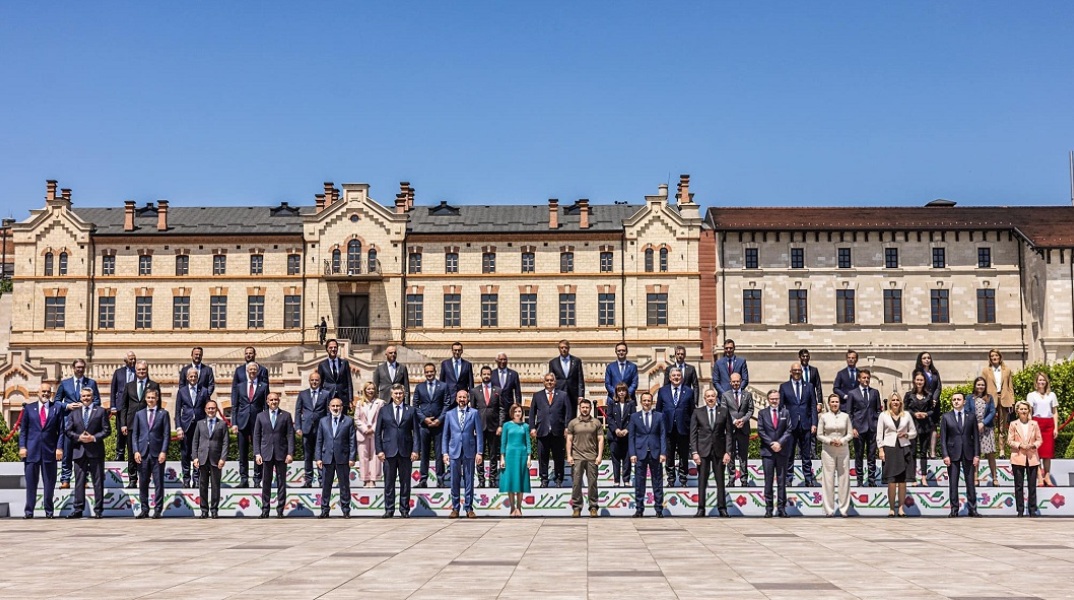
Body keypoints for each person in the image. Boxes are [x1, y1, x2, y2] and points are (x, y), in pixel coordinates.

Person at [19, 383, 64, 518]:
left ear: (51, 394)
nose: (45, 394)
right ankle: (29, 512)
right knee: (31, 484)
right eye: (43, 391)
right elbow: (23, 431)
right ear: (38, 393)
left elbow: (61, 431)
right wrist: (22, 447)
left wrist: (59, 448)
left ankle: (49, 511)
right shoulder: (29, 408)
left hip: (50, 452)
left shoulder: (56, 408)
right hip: (31, 452)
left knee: (49, 484)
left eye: (48, 392)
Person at [375, 384, 421, 518]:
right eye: (396, 393)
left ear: (404, 394)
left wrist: (415, 450)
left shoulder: (411, 410)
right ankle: (389, 509)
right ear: (391, 394)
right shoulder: (384, 410)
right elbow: (378, 432)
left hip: (405, 451)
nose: (398, 396)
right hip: (388, 451)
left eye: (400, 393)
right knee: (389, 483)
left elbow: (416, 432)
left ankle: (404, 509)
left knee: (405, 482)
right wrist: (379, 450)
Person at [54, 358, 100, 489]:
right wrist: (67, 406)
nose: (80, 369)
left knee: (84, 453)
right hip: (69, 422)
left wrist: (86, 404)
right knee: (67, 453)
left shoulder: (91, 383)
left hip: (85, 423)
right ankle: (65, 480)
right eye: (78, 367)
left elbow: (97, 401)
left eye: (82, 367)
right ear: (73, 368)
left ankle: (83, 479)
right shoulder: (65, 383)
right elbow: (56, 401)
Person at [65, 386, 111, 519]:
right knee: (79, 482)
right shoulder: (74, 413)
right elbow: (68, 431)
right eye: (84, 396)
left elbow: (107, 430)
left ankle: (98, 510)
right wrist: (78, 437)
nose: (86, 398)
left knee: (98, 481)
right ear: (80, 397)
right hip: (79, 451)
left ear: (93, 397)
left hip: (96, 451)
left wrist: (94, 438)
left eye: (88, 396)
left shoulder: (101, 411)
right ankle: (78, 509)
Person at [118, 359, 160, 489]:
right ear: (135, 371)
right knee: (132, 453)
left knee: (147, 453)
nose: (141, 371)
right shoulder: (129, 386)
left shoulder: (154, 385)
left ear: (147, 370)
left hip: (148, 425)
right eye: (139, 369)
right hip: (131, 424)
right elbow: (124, 406)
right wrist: (123, 424)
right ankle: (132, 479)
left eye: (143, 369)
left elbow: (158, 407)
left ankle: (145, 479)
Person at [690, 388, 732, 517]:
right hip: (703, 452)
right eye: (708, 396)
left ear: (716, 397)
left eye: (712, 396)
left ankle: (722, 508)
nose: (710, 398)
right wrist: (694, 452)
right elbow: (693, 434)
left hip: (719, 452)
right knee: (702, 481)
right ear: (704, 398)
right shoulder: (697, 412)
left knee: (720, 481)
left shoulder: (724, 411)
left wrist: (728, 452)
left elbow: (729, 433)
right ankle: (701, 509)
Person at [442, 390, 484, 519]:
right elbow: (445, 435)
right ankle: (455, 508)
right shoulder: (449, 414)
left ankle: (469, 508)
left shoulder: (474, 413)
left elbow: (479, 434)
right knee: (454, 480)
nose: (462, 399)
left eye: (464, 397)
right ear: (456, 399)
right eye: (460, 397)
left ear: (468, 399)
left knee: (469, 480)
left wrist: (479, 452)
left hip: (469, 450)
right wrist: (445, 452)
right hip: (454, 450)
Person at [254, 392, 295, 518]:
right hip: (266, 453)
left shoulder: (286, 415)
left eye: (276, 400)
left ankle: (280, 510)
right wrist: (257, 453)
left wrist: (290, 453)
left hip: (281, 453)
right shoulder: (261, 416)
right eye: (271, 400)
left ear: (279, 401)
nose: (273, 402)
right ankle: (265, 510)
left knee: (281, 483)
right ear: (267, 402)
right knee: (266, 482)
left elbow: (290, 435)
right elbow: (256, 435)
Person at [131, 388, 171, 519]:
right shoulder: (139, 414)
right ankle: (144, 509)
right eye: (148, 397)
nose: (150, 400)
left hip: (157, 454)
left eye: (153, 397)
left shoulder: (163, 414)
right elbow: (135, 434)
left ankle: (158, 509)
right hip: (142, 453)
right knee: (143, 483)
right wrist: (136, 450)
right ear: (145, 398)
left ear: (157, 398)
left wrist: (163, 451)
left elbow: (166, 435)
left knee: (158, 483)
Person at [940, 393, 981, 517]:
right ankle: (954, 509)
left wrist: (977, 455)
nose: (956, 401)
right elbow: (943, 438)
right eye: (954, 399)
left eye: (958, 399)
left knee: (970, 482)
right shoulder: (946, 417)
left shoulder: (971, 416)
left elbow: (976, 437)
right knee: (953, 483)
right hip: (952, 453)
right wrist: (945, 455)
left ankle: (972, 509)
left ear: (964, 402)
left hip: (968, 453)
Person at [529, 372, 572, 488]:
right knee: (543, 457)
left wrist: (567, 427)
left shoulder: (563, 395)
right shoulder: (537, 396)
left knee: (559, 457)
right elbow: (532, 413)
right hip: (542, 431)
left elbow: (568, 413)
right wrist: (532, 428)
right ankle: (544, 479)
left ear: (555, 382)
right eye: (547, 380)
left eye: (551, 380)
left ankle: (559, 479)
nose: (549, 382)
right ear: (544, 382)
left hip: (558, 432)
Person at [316, 398, 357, 518]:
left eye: (338, 406)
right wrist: (318, 458)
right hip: (327, 458)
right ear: (329, 407)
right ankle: (324, 510)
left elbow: (352, 441)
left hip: (343, 458)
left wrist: (352, 457)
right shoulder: (323, 421)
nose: (335, 408)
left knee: (344, 485)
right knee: (326, 485)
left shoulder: (348, 421)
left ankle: (345, 510)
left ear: (342, 407)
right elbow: (319, 440)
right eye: (333, 406)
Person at [779, 362, 818, 487]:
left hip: (806, 425)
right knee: (789, 454)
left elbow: (813, 406)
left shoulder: (809, 386)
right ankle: (788, 479)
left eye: (799, 370)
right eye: (794, 370)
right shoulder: (784, 387)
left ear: (802, 372)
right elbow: (781, 407)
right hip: (790, 426)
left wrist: (814, 423)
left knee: (806, 455)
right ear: (791, 372)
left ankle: (808, 479)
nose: (797, 372)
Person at [878, 393, 917, 517]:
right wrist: (881, 450)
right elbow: (879, 434)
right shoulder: (883, 415)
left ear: (901, 402)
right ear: (890, 402)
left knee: (902, 482)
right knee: (891, 481)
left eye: (897, 400)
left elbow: (913, 432)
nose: (895, 402)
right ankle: (891, 508)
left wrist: (906, 435)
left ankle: (901, 508)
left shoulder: (906, 415)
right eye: (893, 400)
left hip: (903, 448)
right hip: (890, 448)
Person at [629, 392, 667, 518]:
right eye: (644, 400)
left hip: (655, 453)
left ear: (652, 402)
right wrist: (632, 453)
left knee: (657, 482)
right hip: (640, 453)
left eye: (648, 400)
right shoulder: (634, 417)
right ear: (641, 402)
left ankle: (659, 509)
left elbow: (663, 435)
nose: (646, 403)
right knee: (639, 483)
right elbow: (631, 437)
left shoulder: (659, 416)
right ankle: (639, 509)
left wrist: (663, 452)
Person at [655, 367, 695, 487]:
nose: (676, 377)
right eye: (674, 375)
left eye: (678, 375)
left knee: (684, 455)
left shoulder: (689, 391)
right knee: (669, 455)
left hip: (683, 429)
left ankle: (683, 480)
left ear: (681, 378)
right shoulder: (662, 391)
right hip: (668, 429)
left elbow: (692, 411)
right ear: (670, 378)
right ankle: (671, 480)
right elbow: (658, 410)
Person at [231, 361, 268, 488]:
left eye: (254, 370)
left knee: (258, 452)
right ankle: (244, 479)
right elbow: (235, 406)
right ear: (247, 371)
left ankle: (257, 479)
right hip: (242, 422)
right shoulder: (240, 386)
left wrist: (266, 422)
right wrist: (234, 423)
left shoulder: (263, 386)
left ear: (257, 372)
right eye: (250, 369)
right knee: (243, 452)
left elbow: (265, 406)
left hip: (258, 423)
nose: (252, 371)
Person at [567, 398, 605, 518]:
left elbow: (601, 439)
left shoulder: (596, 423)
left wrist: (599, 456)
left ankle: (593, 507)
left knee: (592, 483)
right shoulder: (573, 423)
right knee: (576, 483)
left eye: (587, 407)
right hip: (577, 457)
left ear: (590, 408)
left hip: (592, 457)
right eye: (583, 407)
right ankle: (576, 508)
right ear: (579, 408)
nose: (585, 409)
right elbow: (569, 440)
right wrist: (569, 455)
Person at [817, 393, 853, 517]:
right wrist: (830, 441)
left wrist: (842, 441)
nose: (834, 404)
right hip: (828, 451)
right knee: (828, 480)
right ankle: (829, 510)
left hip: (843, 450)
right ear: (829, 403)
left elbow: (850, 434)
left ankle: (844, 509)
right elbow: (819, 435)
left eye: (836, 402)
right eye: (832, 402)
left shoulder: (845, 417)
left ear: (839, 403)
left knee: (844, 479)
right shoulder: (824, 417)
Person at [758, 389, 792, 517]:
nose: (774, 401)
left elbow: (789, 429)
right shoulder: (762, 413)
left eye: (776, 398)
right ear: (768, 399)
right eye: (772, 398)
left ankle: (782, 508)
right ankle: (769, 509)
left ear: (779, 399)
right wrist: (772, 443)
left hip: (782, 451)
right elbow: (761, 430)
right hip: (768, 452)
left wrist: (780, 443)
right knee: (768, 481)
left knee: (782, 481)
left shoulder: (785, 412)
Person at [414, 363, 449, 487]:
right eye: (427, 372)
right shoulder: (419, 387)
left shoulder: (443, 386)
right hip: (424, 425)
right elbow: (415, 405)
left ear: (435, 372)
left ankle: (440, 479)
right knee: (424, 453)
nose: (429, 374)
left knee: (439, 453)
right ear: (424, 373)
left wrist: (439, 419)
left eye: (431, 371)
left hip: (439, 425)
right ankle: (423, 479)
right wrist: (424, 419)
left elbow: (446, 404)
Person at [192, 399, 228, 519]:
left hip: (216, 459)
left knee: (215, 486)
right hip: (202, 458)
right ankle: (204, 510)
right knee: (202, 486)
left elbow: (225, 443)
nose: (211, 410)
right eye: (209, 408)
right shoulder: (200, 423)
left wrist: (223, 458)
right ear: (205, 410)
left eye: (213, 408)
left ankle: (214, 510)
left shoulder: (222, 424)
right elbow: (195, 442)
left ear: (216, 409)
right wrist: (195, 457)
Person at [294, 371, 332, 488]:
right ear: (309, 381)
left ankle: (322, 480)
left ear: (320, 381)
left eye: (316, 380)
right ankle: (308, 481)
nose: (314, 382)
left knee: (320, 455)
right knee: (307, 456)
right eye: (312, 380)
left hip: (321, 429)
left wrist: (328, 427)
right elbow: (298, 411)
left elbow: (328, 412)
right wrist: (298, 427)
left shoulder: (326, 394)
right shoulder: (303, 394)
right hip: (306, 429)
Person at [174, 367, 210, 488]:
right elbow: (177, 411)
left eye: (195, 376)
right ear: (187, 377)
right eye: (191, 376)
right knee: (185, 453)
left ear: (198, 377)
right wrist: (178, 427)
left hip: (199, 426)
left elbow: (208, 409)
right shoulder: (182, 391)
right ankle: (186, 478)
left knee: (199, 452)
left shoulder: (204, 391)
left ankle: (196, 478)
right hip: (186, 426)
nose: (193, 378)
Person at [471, 366, 505, 488]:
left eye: (488, 374)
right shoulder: (474, 391)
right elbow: (472, 410)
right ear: (480, 375)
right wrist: (472, 427)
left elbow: (502, 409)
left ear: (491, 375)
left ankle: (492, 479)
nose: (486, 376)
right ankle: (481, 480)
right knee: (479, 454)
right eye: (484, 374)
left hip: (494, 427)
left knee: (493, 455)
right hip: (479, 427)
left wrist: (500, 425)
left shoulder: (498, 390)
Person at [847, 369, 882, 487]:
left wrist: (877, 424)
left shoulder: (875, 392)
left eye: (868, 378)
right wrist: (852, 428)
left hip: (872, 428)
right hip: (858, 429)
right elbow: (849, 413)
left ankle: (872, 480)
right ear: (859, 379)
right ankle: (860, 480)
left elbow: (878, 410)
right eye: (864, 377)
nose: (866, 380)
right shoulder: (852, 393)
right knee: (859, 455)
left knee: (871, 455)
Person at [1007, 401, 1043, 517]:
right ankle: (1020, 510)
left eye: (1025, 409)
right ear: (1017, 411)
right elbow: (1009, 441)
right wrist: (1020, 445)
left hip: (1032, 457)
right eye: (1021, 409)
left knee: (1032, 486)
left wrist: (1033, 445)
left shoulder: (1034, 424)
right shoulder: (1013, 424)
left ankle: (1032, 510)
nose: (1023, 411)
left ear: (1029, 411)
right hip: (1018, 457)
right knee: (1019, 486)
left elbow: (1039, 440)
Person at [1026, 371, 1059, 487]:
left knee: (1048, 453)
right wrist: (1030, 426)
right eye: (1039, 380)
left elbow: (1054, 412)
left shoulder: (1052, 395)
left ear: (1046, 382)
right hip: (1037, 423)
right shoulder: (1031, 395)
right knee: (1037, 452)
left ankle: (1047, 476)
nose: (1041, 382)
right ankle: (1040, 476)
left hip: (1049, 424)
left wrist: (1056, 428)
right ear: (1036, 382)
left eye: (1043, 380)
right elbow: (1029, 412)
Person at [499, 404, 531, 517]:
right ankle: (512, 507)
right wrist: (502, 458)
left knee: (520, 482)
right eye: (515, 411)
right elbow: (503, 442)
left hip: (521, 455)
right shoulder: (506, 425)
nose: (518, 413)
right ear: (512, 413)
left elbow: (528, 442)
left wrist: (529, 457)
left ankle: (519, 507)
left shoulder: (525, 426)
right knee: (511, 482)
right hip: (509, 455)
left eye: (519, 411)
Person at [721, 373, 754, 486]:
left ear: (741, 382)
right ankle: (731, 479)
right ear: (730, 382)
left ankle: (744, 480)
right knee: (730, 455)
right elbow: (724, 410)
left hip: (744, 429)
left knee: (743, 456)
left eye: (737, 381)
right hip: (730, 429)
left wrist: (743, 420)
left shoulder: (747, 395)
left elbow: (750, 410)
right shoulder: (725, 395)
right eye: (733, 381)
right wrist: (734, 421)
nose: (736, 383)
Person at [982, 348, 1015, 456]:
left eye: (996, 355)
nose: (994, 358)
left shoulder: (1007, 370)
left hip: (1004, 398)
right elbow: (982, 386)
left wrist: (1012, 402)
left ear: (1000, 357)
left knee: (1002, 426)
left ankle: (1002, 450)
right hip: (991, 399)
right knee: (989, 424)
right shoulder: (986, 371)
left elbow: (1010, 386)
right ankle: (989, 449)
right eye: (992, 356)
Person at [903, 372, 934, 486]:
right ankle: (913, 478)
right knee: (912, 452)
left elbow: (932, 410)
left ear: (924, 382)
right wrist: (914, 414)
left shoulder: (929, 395)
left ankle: (924, 478)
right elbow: (905, 409)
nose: (919, 382)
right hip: (912, 426)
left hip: (925, 426)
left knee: (923, 452)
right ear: (914, 381)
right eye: (918, 380)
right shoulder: (909, 395)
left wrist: (926, 414)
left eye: (921, 380)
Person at [968, 377, 998, 486]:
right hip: (974, 429)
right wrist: (974, 424)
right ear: (975, 386)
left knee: (990, 454)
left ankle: (994, 478)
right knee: (975, 454)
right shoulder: (970, 398)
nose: (980, 387)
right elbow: (967, 411)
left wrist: (983, 423)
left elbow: (992, 412)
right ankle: (975, 477)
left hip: (987, 429)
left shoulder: (989, 398)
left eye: (982, 385)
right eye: (978, 384)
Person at [354, 381, 384, 488]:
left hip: (376, 433)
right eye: (368, 389)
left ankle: (373, 479)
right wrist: (365, 428)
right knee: (363, 457)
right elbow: (356, 418)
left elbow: (381, 418)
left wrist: (373, 428)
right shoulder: (359, 403)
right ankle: (365, 479)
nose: (370, 391)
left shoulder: (380, 403)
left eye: (372, 389)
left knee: (375, 457)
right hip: (363, 434)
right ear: (365, 390)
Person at [606, 382, 635, 487]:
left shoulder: (631, 403)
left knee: (627, 459)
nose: (621, 392)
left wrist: (627, 430)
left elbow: (633, 418)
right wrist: (616, 430)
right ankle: (616, 480)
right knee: (616, 460)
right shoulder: (611, 403)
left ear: (626, 392)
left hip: (627, 436)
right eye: (619, 390)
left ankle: (626, 480)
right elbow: (609, 418)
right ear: (616, 392)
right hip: (614, 436)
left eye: (623, 390)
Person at [109, 351, 137, 461]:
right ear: (125, 360)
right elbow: (113, 390)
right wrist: (113, 406)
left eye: (134, 358)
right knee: (121, 432)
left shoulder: (139, 372)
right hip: (121, 407)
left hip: (134, 407)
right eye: (131, 359)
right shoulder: (118, 372)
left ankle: (133, 455)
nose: (133, 361)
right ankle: (119, 454)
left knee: (134, 431)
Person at [915, 352, 942, 458]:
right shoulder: (918, 372)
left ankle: (933, 452)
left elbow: (938, 387)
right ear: (920, 360)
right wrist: (927, 399)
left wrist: (934, 399)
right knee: (924, 427)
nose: (927, 360)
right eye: (924, 358)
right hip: (923, 403)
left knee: (933, 426)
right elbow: (918, 387)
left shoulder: (935, 372)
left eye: (928, 358)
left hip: (934, 404)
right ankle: (923, 451)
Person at [550, 339, 585, 416]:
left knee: (572, 415)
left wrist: (581, 395)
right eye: (562, 348)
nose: (564, 349)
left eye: (565, 347)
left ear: (569, 348)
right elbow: (551, 380)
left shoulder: (576, 361)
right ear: (559, 348)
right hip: (559, 392)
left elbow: (580, 379)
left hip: (572, 393)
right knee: (559, 414)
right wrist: (551, 393)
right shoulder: (553, 363)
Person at [319, 339, 354, 414]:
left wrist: (350, 399)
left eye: (335, 347)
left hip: (342, 397)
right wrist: (320, 398)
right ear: (327, 349)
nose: (333, 349)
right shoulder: (322, 365)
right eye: (331, 347)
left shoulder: (344, 363)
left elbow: (349, 381)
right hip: (328, 397)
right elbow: (320, 384)